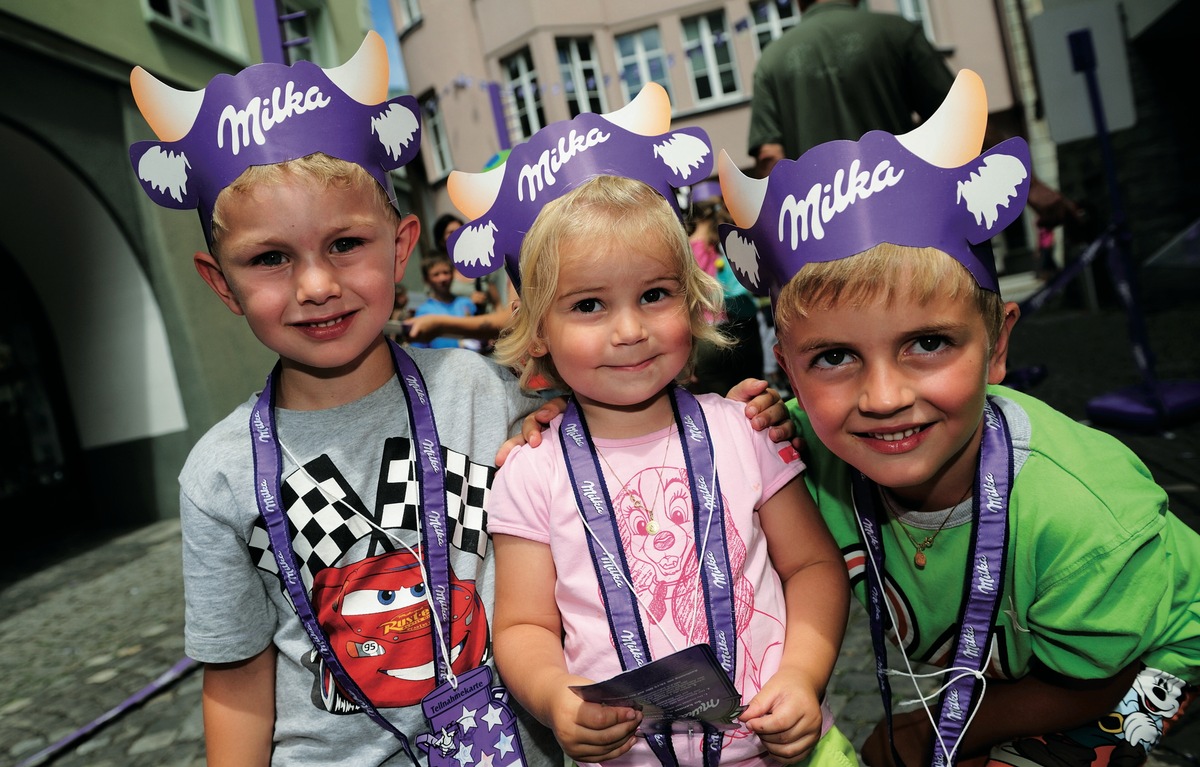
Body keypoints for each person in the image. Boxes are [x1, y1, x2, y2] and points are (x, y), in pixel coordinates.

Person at [126, 36, 795, 765]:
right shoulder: (219, 474)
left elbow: (616, 433)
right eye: (270, 258)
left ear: (400, 244)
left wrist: (742, 418)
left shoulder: (479, 391)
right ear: (220, 282)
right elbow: (236, 681)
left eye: (346, 243)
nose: (316, 285)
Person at [719, 69, 1200, 767]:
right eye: (833, 357)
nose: (883, 396)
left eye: (928, 342)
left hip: (1155, 670)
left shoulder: (1078, 517)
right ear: (787, 372)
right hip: (1017, 668)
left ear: (998, 345)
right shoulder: (806, 452)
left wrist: (939, 728)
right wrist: (734, 433)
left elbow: (1105, 678)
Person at [452, 85, 858, 767]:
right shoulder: (530, 469)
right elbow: (522, 624)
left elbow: (815, 566)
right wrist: (556, 697)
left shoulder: (744, 429)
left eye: (654, 294)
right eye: (588, 304)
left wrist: (802, 676)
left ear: (692, 298)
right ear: (538, 330)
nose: (631, 329)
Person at [747, 0, 1081, 230]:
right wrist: (1030, 189)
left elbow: (769, 159)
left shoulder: (771, 61)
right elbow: (962, 120)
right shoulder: (896, 33)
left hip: (825, 235)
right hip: (911, 223)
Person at [686, 193, 765, 394]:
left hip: (705, 336)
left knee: (718, 406)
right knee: (753, 397)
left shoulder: (683, 250)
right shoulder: (727, 245)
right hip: (739, 328)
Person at [410, 253, 481, 350]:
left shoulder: (466, 303)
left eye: (446, 272)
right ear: (426, 280)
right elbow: (418, 349)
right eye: (436, 274)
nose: (442, 278)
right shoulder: (424, 312)